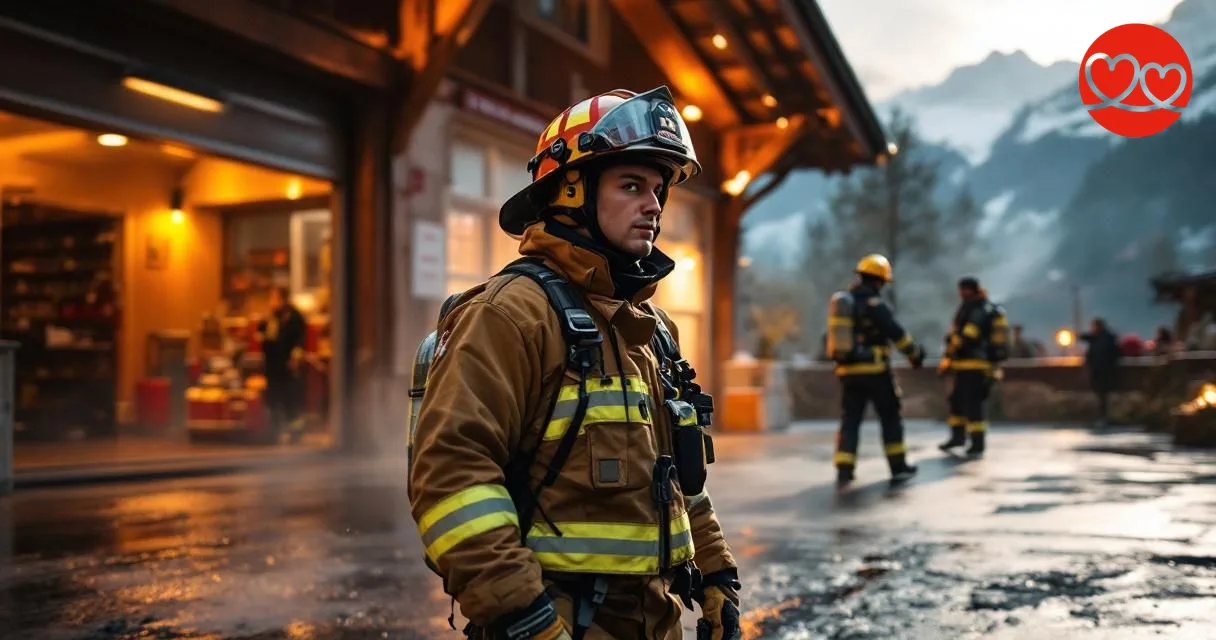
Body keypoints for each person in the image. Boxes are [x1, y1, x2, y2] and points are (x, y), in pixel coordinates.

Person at [409, 87, 740, 640]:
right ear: (569, 191)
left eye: (658, 189)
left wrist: (716, 571)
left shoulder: (652, 330)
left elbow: (677, 478)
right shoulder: (511, 314)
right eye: (631, 185)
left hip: (654, 622)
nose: (654, 205)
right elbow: (452, 479)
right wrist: (525, 617)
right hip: (554, 622)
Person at [825, 254, 926, 487]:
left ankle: (844, 469)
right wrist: (914, 355)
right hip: (876, 371)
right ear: (879, 281)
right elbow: (897, 334)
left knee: (850, 420)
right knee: (890, 417)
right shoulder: (876, 305)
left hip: (848, 373)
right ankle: (898, 467)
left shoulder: (846, 303)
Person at [937, 277, 1009, 457]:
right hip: (964, 365)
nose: (960, 294)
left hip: (976, 365)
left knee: (974, 404)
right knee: (956, 401)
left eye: (964, 290)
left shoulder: (978, 308)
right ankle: (958, 437)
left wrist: (952, 342)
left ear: (972, 290)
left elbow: (970, 335)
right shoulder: (975, 306)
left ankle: (977, 443)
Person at [257, 286, 307, 443]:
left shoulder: (294, 318)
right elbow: (263, 335)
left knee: (289, 401)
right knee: (273, 400)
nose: (271, 302)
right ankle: (273, 433)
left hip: (287, 366)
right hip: (273, 365)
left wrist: (295, 357)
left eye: (274, 298)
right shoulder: (271, 318)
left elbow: (298, 341)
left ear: (282, 300)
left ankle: (295, 433)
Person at [1080, 317, 1121, 426]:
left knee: (1103, 395)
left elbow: (1102, 354)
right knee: (1102, 396)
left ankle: (1104, 417)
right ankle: (1103, 416)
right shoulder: (1104, 337)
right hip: (1101, 371)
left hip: (1103, 371)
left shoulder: (1104, 339)